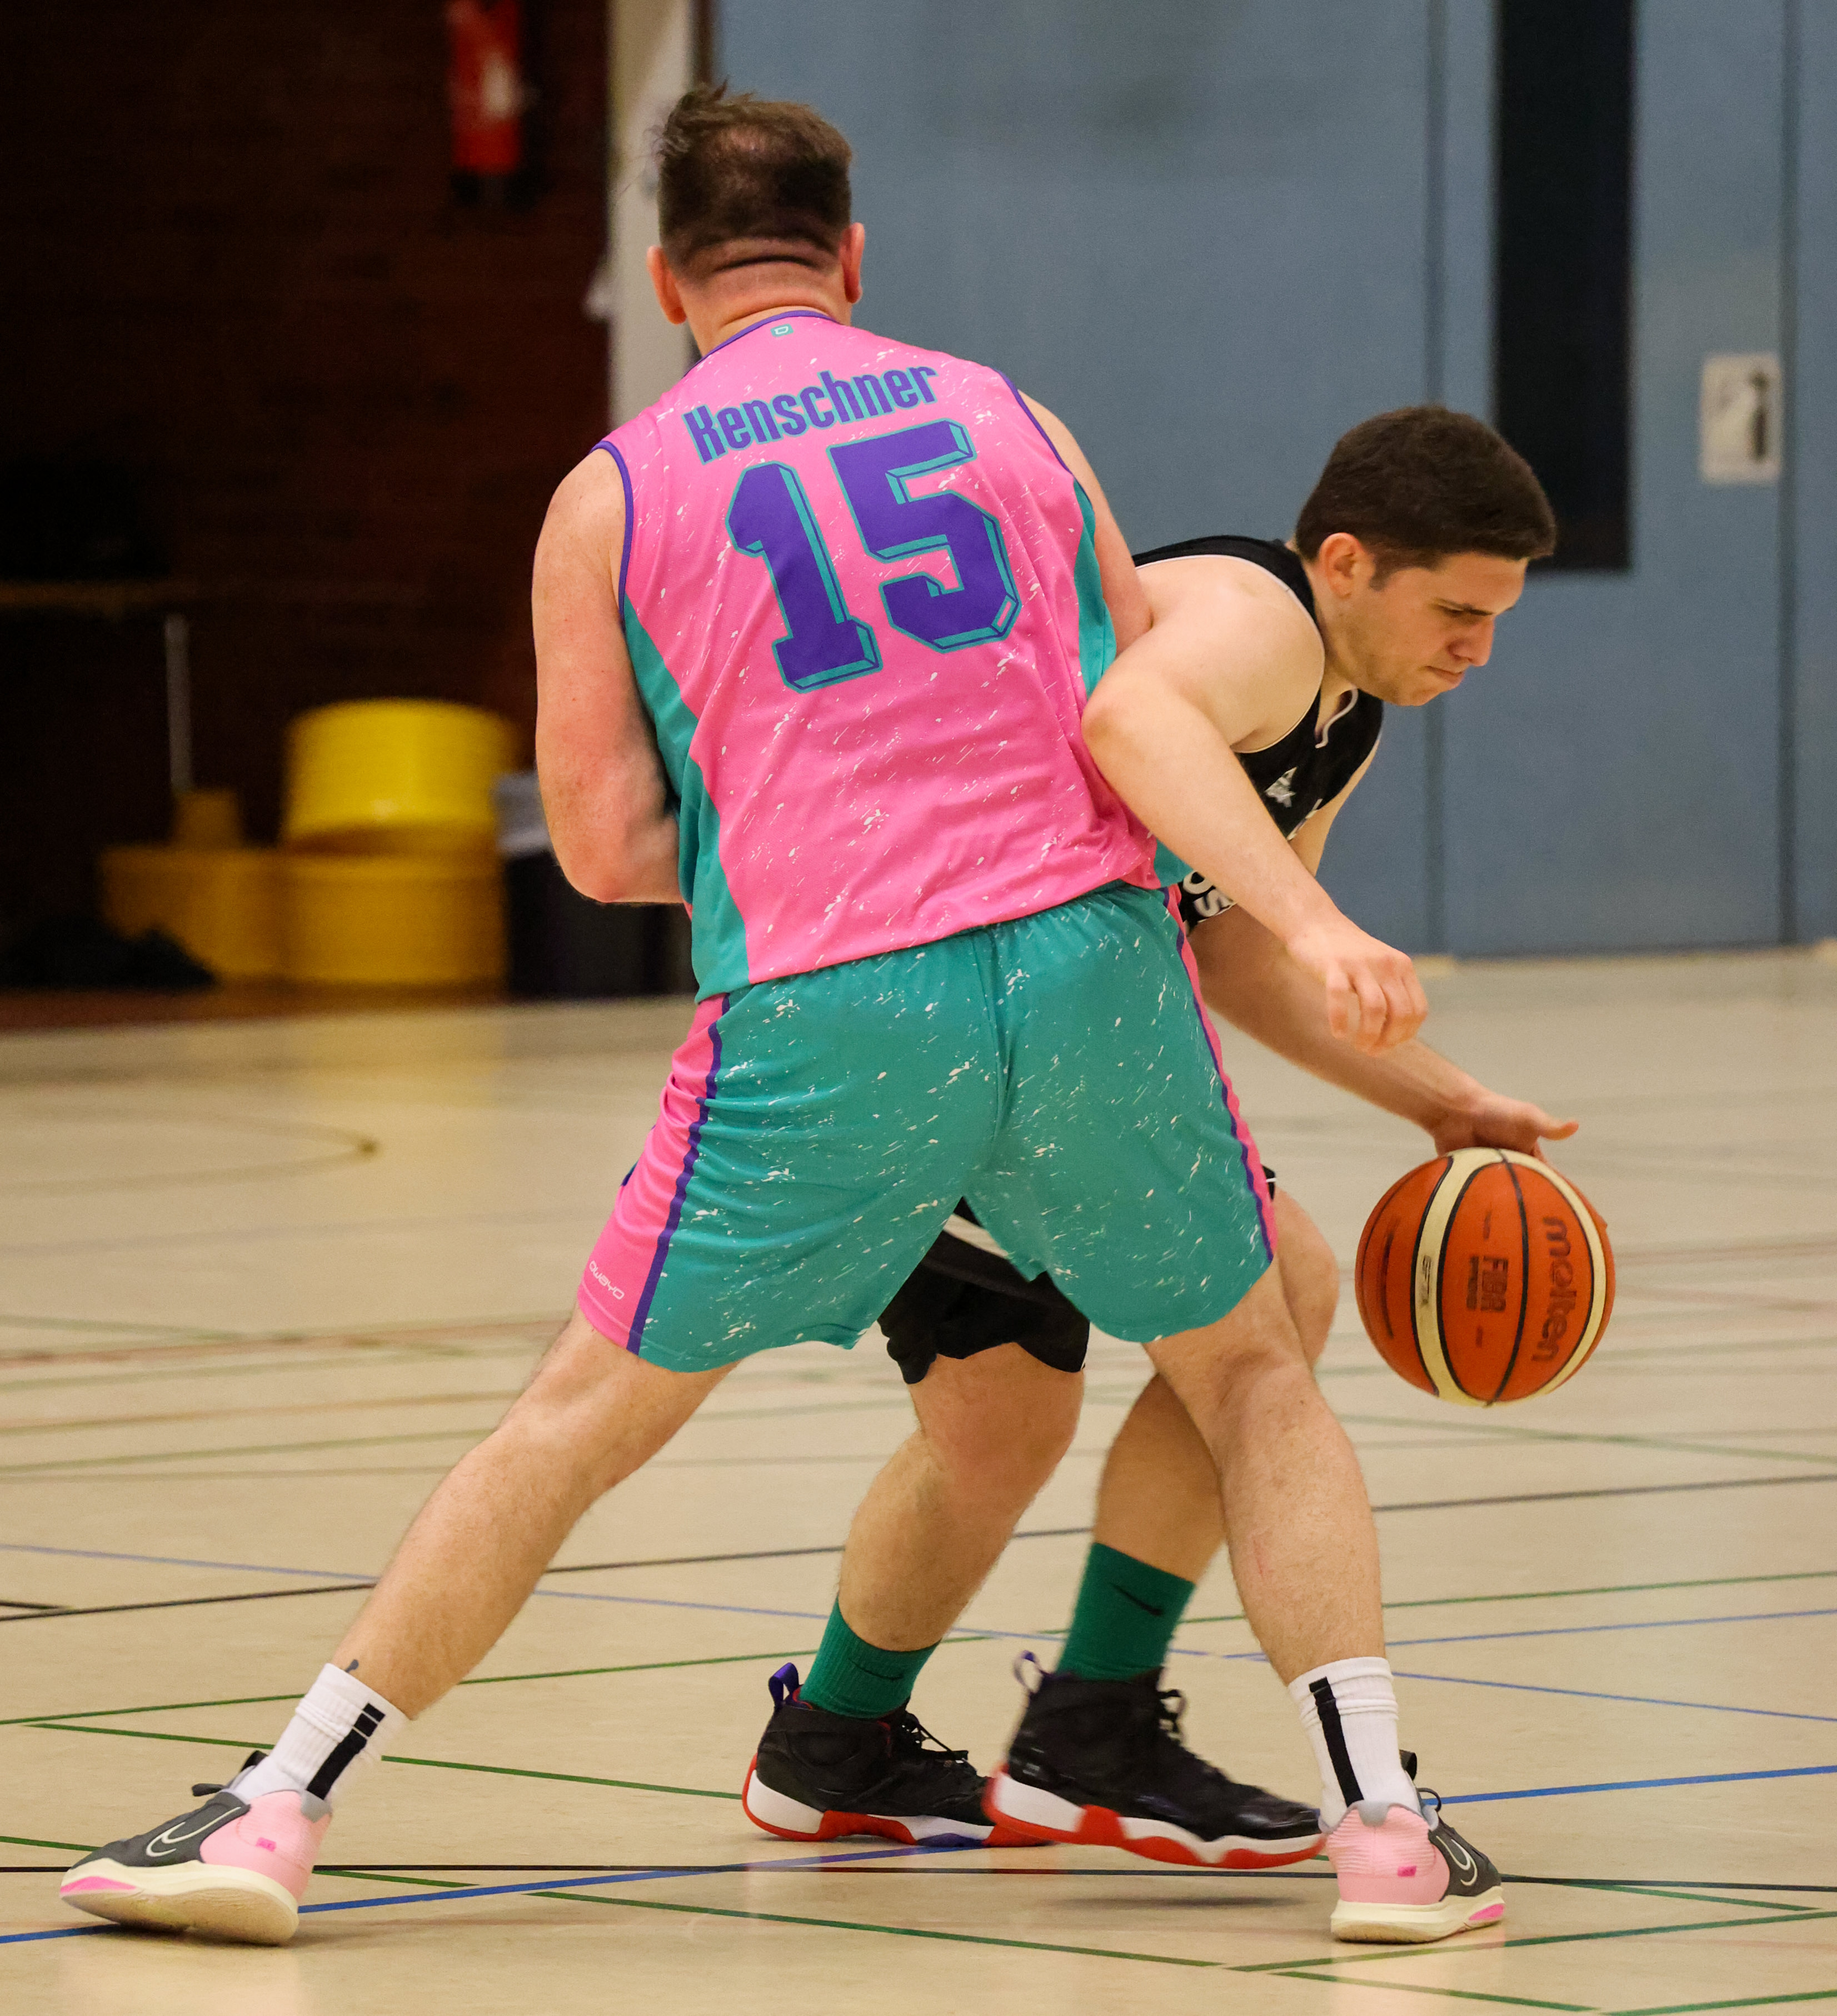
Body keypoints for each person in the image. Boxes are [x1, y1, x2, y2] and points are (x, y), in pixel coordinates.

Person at [58, 87, 1422, 1948]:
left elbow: (603, 846)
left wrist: (797, 842)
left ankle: (275, 1810)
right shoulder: (1011, 416)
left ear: (663, 279)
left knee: (574, 1423)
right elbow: (1138, 710)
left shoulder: (611, 493)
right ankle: (1387, 1837)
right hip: (1087, 971)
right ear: (852, 258)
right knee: (1253, 1372)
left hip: (835, 1000)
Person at [872, 409, 1569, 1944]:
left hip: (970, 1034)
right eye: (1456, 612)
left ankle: (839, 1739)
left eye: (1496, 620)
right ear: (1345, 562)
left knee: (996, 1418)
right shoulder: (1255, 619)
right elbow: (1132, 715)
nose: (1476, 651)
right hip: (968, 1013)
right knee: (1278, 1302)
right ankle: (1114, 1729)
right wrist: (1328, 929)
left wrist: (1442, 1102)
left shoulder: (1342, 708)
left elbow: (1237, 948)